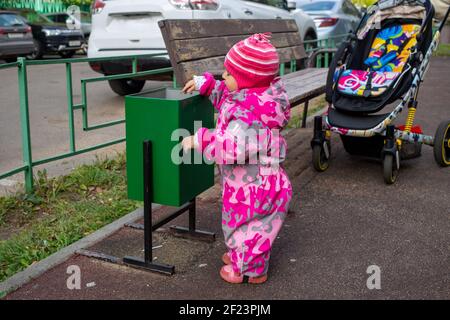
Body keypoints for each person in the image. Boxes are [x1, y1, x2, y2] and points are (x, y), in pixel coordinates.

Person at [181, 33, 292, 284]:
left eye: (229, 75)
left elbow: (231, 146)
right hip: (251, 180)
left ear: (245, 80)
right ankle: (243, 256)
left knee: (249, 227)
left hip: (255, 187)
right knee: (243, 223)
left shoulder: (250, 117)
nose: (223, 76)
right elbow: (229, 98)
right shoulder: (253, 98)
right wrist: (207, 86)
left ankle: (250, 270)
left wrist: (200, 140)